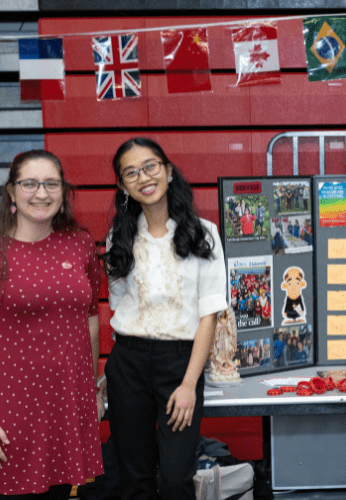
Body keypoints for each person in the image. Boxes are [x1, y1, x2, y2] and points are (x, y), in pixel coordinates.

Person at [103, 137, 227, 500]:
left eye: (150, 166)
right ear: (123, 185)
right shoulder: (120, 238)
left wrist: (189, 384)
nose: (143, 176)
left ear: (168, 171)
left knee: (175, 478)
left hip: (180, 365)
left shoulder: (203, 234)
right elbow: (119, 307)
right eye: (131, 172)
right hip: (128, 364)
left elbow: (210, 314)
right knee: (134, 478)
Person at [0, 151, 103, 499]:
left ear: (63, 192)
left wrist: (89, 388)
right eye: (29, 183)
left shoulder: (80, 244)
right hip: (10, 410)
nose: (41, 193)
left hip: (64, 406)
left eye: (51, 184)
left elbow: (90, 316)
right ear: (12, 192)